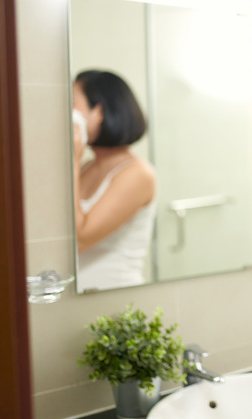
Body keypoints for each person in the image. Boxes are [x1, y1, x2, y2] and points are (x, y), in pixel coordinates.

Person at [72, 70, 156, 292]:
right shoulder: (87, 167)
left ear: (98, 111)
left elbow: (78, 240)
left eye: (73, 105)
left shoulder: (138, 174)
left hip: (116, 301)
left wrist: (72, 158)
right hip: (82, 299)